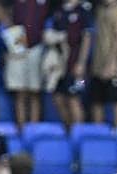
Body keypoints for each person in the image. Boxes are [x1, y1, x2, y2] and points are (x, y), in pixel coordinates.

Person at [4, 0, 52, 128]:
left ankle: (33, 129)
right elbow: (0, 8)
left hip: (36, 47)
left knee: (34, 91)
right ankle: (21, 128)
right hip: (17, 47)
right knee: (19, 91)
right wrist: (11, 32)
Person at [50, 0, 93, 128]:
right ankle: (69, 130)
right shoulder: (59, 9)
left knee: (75, 98)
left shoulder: (84, 10)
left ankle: (79, 133)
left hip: (78, 66)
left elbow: (87, 38)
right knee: (58, 97)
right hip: (60, 66)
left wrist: (81, 63)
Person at [90, 0, 117, 127]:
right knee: (96, 99)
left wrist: (112, 64)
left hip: (115, 65)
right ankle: (98, 131)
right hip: (98, 63)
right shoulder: (100, 9)